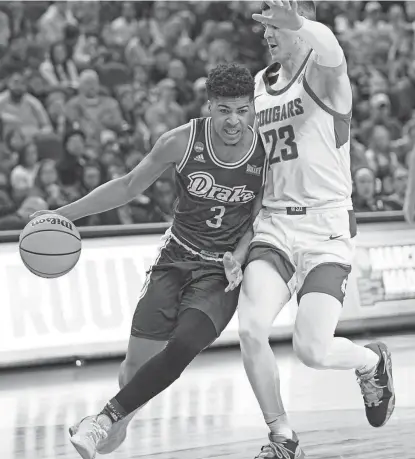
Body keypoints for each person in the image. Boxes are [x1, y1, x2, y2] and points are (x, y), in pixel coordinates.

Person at [31, 63, 266, 459]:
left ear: (253, 108)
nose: (234, 120)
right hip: (175, 256)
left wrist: (240, 257)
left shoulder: (266, 150)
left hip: (220, 270)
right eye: (224, 109)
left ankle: (103, 420)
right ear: (210, 107)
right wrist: (64, 214)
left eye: (242, 110)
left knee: (184, 344)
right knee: (136, 365)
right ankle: (119, 423)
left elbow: (260, 217)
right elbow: (126, 186)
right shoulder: (180, 141)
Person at [236, 2, 396, 458]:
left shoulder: (325, 73)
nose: (267, 34)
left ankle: (371, 361)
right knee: (250, 330)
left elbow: (333, 49)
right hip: (274, 226)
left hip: (325, 228)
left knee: (313, 350)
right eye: (264, 27)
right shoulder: (257, 86)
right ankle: (282, 438)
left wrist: (303, 25)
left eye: (277, 26)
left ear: (300, 29)